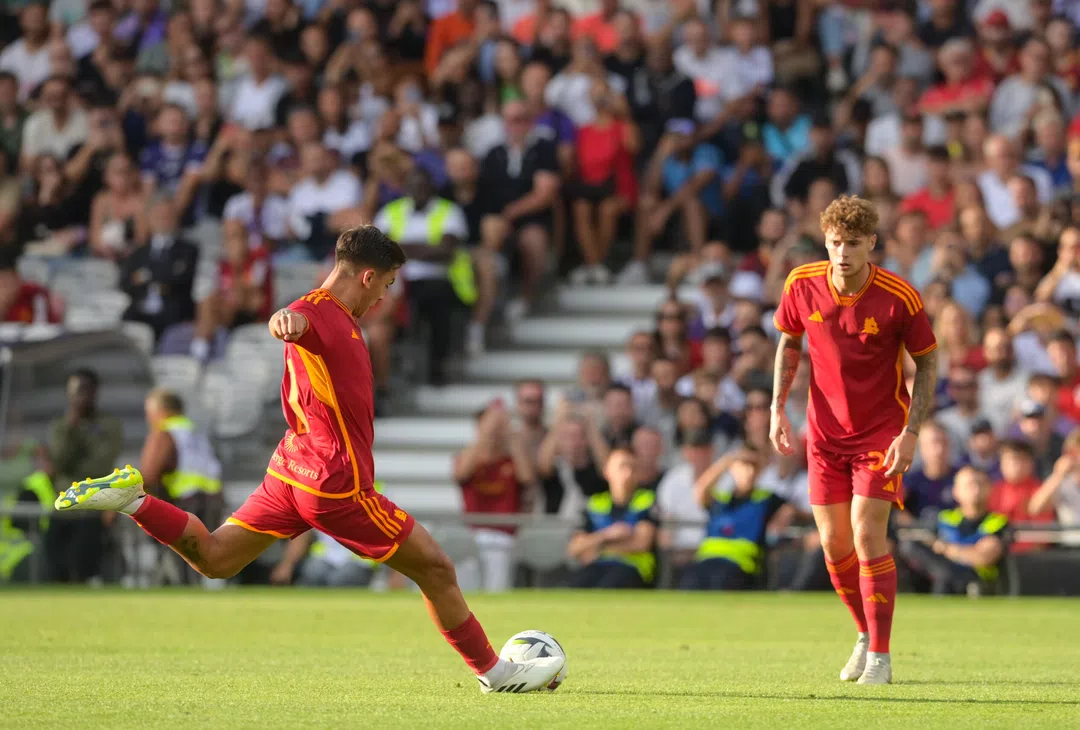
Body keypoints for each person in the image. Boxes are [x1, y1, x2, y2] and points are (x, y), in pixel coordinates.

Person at [54, 226, 564, 694]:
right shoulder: (319, 316)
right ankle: (495, 675)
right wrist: (285, 322)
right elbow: (294, 324)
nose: (384, 298)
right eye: (384, 286)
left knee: (215, 558)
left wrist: (292, 319)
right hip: (335, 484)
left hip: (291, 468)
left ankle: (135, 502)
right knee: (436, 569)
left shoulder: (327, 312)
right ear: (366, 276)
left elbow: (301, 324)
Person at [770, 195, 939, 685]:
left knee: (867, 536)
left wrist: (911, 433)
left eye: (853, 243)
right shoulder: (801, 283)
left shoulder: (898, 296)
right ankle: (865, 633)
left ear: (872, 244)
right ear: (826, 241)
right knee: (833, 542)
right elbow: (788, 341)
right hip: (823, 434)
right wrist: (778, 408)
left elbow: (927, 361)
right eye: (835, 242)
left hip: (881, 432)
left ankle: (881, 657)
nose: (843, 252)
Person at [45, 369, 123, 583]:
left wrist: (73, 468)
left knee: (85, 574)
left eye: (83, 390)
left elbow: (101, 465)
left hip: (91, 510)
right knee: (54, 576)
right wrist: (71, 430)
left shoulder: (109, 425)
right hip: (62, 509)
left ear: (94, 392)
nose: (78, 397)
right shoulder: (61, 426)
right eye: (74, 392)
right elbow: (58, 461)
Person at [681, 445, 791, 591]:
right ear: (732, 469)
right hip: (707, 560)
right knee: (688, 585)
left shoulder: (766, 499)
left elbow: (790, 509)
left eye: (753, 467)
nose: (749, 472)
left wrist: (782, 520)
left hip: (740, 565)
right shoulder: (721, 499)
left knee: (720, 584)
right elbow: (701, 490)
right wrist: (726, 461)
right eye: (744, 466)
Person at [899, 466, 1010, 595]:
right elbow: (920, 545)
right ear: (955, 491)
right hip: (943, 583)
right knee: (910, 546)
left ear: (989, 489)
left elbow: (983, 557)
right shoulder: (944, 518)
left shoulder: (997, 521)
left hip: (980, 584)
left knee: (945, 574)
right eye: (969, 485)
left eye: (980, 484)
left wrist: (946, 549)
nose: (975, 489)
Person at [565, 448, 657, 589]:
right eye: (622, 467)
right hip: (597, 566)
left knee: (608, 587)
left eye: (632, 467)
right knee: (573, 588)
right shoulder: (595, 504)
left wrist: (598, 548)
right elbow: (574, 548)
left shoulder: (646, 501)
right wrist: (608, 534)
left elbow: (641, 544)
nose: (628, 473)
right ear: (607, 472)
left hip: (632, 568)